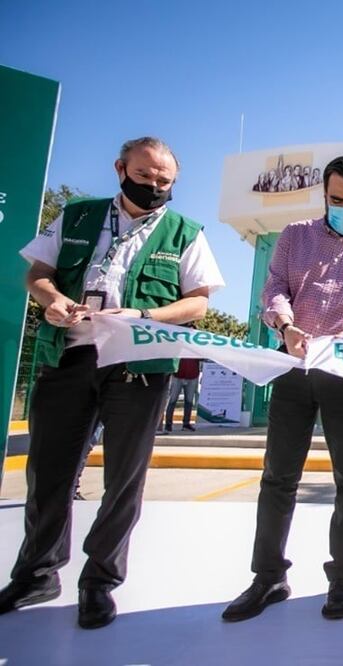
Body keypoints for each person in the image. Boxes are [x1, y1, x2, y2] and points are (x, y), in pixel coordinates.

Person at [0, 137, 224, 629]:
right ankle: (38, 573)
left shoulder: (185, 231)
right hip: (70, 358)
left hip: (138, 368)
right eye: (145, 176)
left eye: (165, 181)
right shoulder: (78, 217)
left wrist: (144, 313)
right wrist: (51, 300)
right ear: (121, 169)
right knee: (48, 473)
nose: (155, 187)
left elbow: (198, 303)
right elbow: (38, 273)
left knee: (123, 480)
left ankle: (99, 582)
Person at [222, 155, 343, 623]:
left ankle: (342, 578)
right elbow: (275, 289)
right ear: (324, 194)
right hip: (294, 366)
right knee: (278, 477)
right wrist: (285, 325)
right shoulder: (293, 236)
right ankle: (268, 577)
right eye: (336, 199)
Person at [162, 357, 200, 432]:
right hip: (177, 376)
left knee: (189, 401)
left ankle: (186, 424)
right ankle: (168, 425)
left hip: (192, 376)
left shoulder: (195, 346)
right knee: (172, 400)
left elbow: (202, 357)